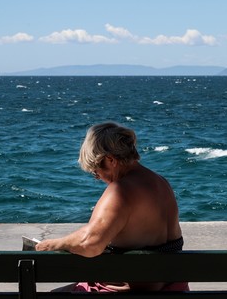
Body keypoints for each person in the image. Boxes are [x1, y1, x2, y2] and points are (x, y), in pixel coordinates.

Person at [36, 122, 188, 292]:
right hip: (175, 290)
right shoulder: (161, 183)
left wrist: (53, 244)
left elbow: (90, 243)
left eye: (96, 171)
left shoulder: (121, 191)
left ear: (110, 160)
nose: (98, 178)